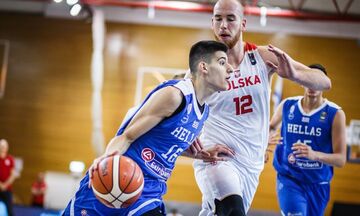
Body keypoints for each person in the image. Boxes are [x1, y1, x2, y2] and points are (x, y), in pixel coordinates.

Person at [63, 40, 235, 216]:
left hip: (148, 191)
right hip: (119, 176)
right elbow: (127, 136)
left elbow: (163, 142)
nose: (230, 69)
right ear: (204, 67)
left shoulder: (204, 111)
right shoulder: (174, 96)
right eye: (222, 62)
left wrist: (200, 154)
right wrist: (106, 160)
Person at [192, 1, 332, 215]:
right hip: (218, 159)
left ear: (243, 24)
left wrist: (295, 75)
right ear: (212, 23)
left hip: (251, 163)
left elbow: (324, 82)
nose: (223, 25)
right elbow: (180, 117)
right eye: (218, 18)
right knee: (233, 211)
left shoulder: (262, 57)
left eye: (231, 18)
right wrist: (197, 153)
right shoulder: (203, 69)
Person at [269, 64, 346, 216]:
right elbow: (270, 128)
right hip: (289, 178)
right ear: (302, 81)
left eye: (317, 82)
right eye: (309, 80)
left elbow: (341, 159)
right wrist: (264, 143)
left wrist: (314, 155)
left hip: (318, 184)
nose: (312, 85)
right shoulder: (287, 105)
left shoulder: (335, 113)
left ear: (324, 85)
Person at [0, 139, 16, 216]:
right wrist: (0, 185)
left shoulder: (10, 159)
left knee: (10, 211)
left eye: (4, 146)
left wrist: (5, 185)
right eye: (1, 146)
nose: (3, 148)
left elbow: (13, 175)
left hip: (7, 189)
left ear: (7, 148)